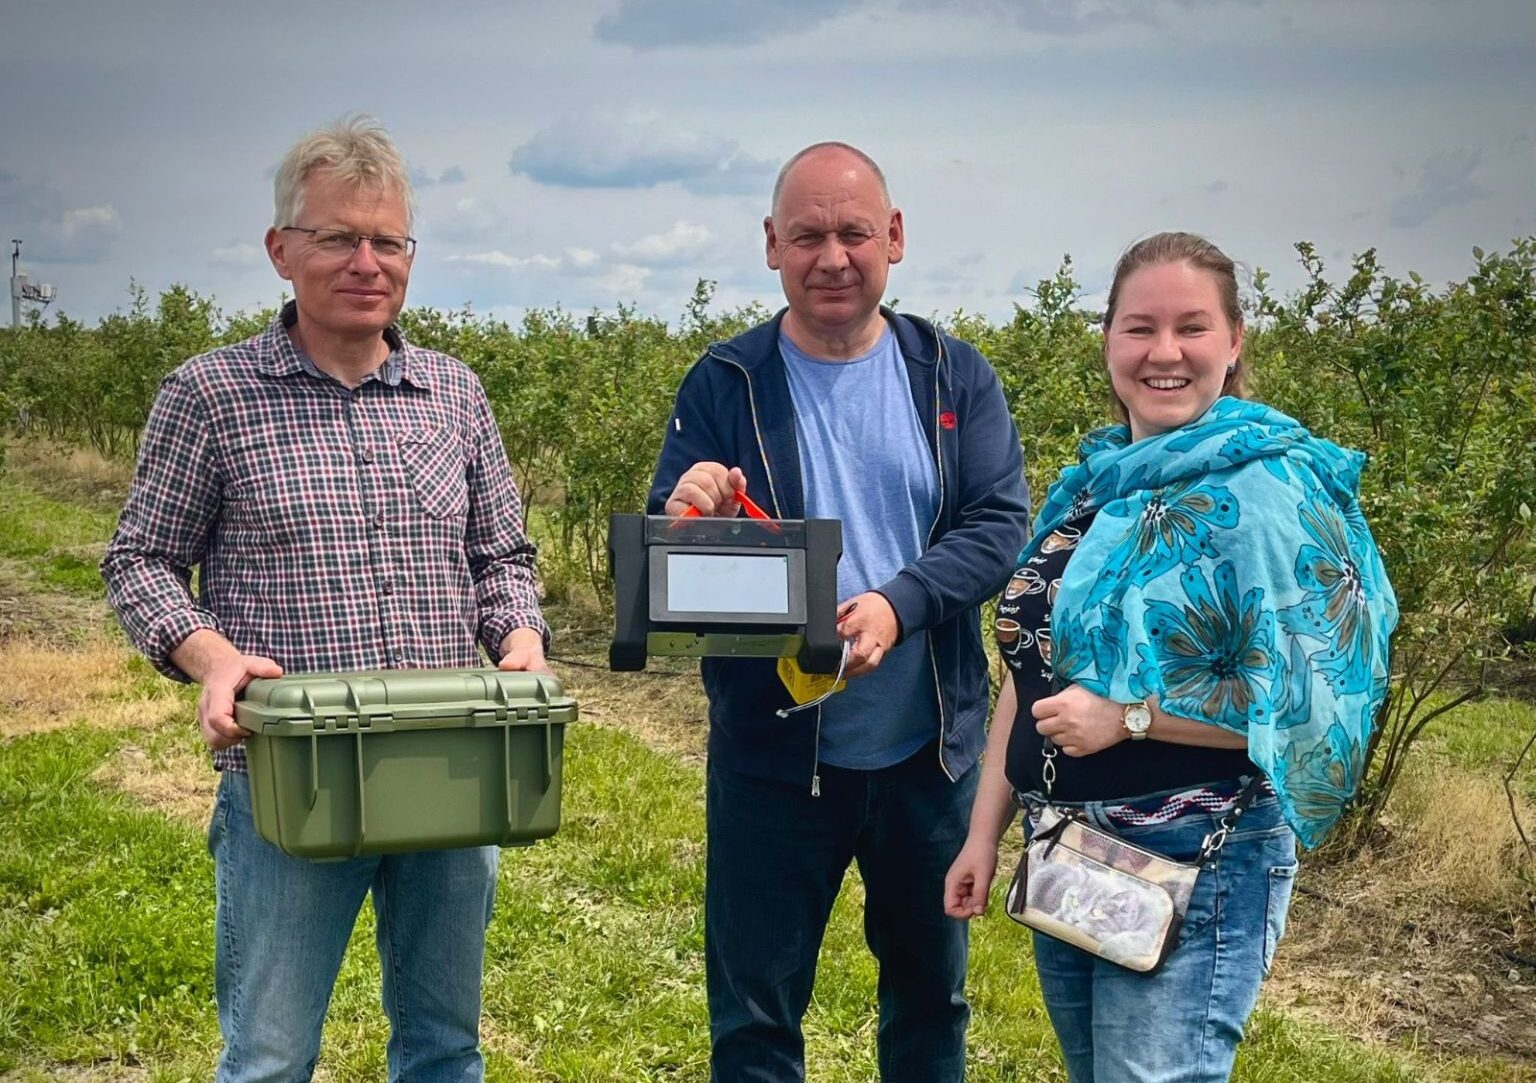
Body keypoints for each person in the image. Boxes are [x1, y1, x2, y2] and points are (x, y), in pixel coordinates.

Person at [101, 116, 550, 1083]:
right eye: (339, 237)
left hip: (450, 765)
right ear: (281, 250)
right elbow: (139, 560)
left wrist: (518, 632)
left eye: (387, 240)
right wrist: (212, 655)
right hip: (290, 782)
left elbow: (501, 554)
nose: (366, 262)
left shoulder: (454, 395)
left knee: (445, 1047)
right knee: (270, 1055)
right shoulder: (212, 396)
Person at [943, 231, 1398, 1083]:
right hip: (1073, 846)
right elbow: (1031, 670)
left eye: (1191, 327)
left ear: (1234, 341)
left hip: (1200, 853)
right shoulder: (1097, 487)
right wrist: (983, 834)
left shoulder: (1266, 493)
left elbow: (1309, 709)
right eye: (1139, 327)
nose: (1164, 352)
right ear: (1108, 341)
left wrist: (1129, 718)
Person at [648, 142, 1032, 1081]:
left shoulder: (953, 375)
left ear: (893, 237)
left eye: (853, 233)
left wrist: (899, 605)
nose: (832, 257)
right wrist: (689, 510)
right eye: (808, 236)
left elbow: (998, 524)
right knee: (755, 1017)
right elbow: (669, 562)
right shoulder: (726, 383)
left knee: (929, 1004)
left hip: (928, 754)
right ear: (771, 244)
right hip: (774, 757)